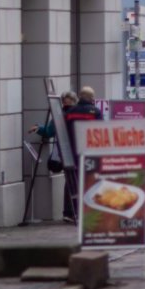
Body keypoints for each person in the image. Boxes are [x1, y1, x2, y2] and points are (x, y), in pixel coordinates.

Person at [31, 91, 77, 221]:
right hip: (77, 153)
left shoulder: (59, 115)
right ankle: (72, 212)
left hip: (63, 154)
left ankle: (69, 212)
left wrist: (38, 128)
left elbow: (49, 132)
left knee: (69, 182)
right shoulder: (78, 113)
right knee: (75, 182)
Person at [64, 86, 102, 220]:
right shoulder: (95, 112)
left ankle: (69, 212)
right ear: (91, 98)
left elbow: (65, 133)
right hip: (89, 152)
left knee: (72, 181)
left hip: (71, 152)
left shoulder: (70, 112)